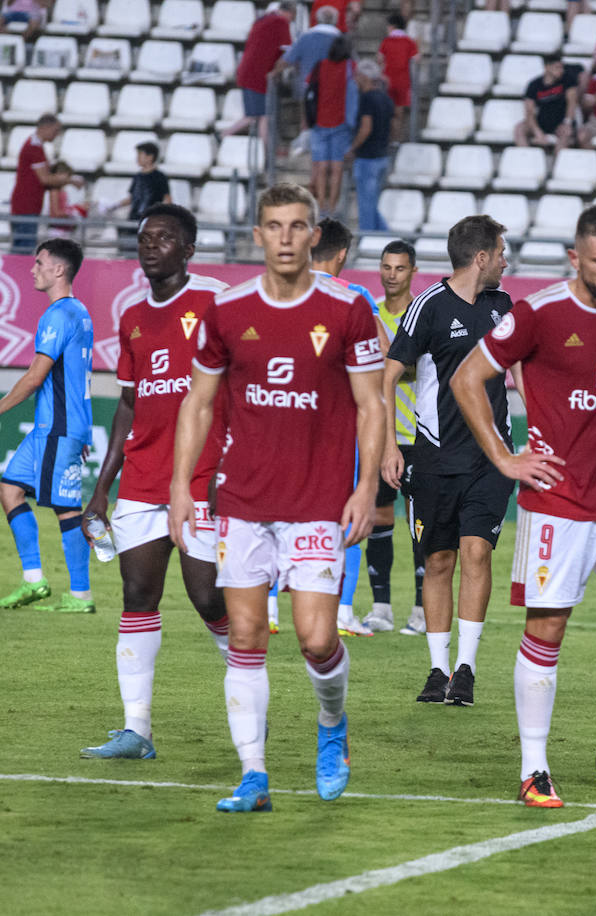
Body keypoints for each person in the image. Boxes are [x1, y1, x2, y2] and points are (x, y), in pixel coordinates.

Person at [450, 203, 596, 809]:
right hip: (555, 501)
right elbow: (465, 379)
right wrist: (505, 458)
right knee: (547, 630)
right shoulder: (539, 313)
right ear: (575, 258)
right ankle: (534, 767)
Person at [169, 182, 384, 813]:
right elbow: (198, 402)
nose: (286, 238)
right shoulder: (227, 310)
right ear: (257, 235)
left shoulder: (347, 310)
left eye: (298, 226)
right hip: (243, 503)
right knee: (245, 634)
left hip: (318, 502)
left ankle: (331, 725)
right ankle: (253, 774)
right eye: (274, 226)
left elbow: (371, 404)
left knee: (317, 639)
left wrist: (366, 486)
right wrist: (182, 487)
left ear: (314, 235)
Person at [79, 204, 232, 760]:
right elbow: (127, 402)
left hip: (201, 477)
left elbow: (238, 386)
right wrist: (103, 485)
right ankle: (136, 730)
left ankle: (246, 690)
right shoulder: (133, 315)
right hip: (142, 480)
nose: (150, 245)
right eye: (145, 237)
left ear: (188, 250)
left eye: (164, 238)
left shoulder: (214, 304)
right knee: (137, 594)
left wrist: (231, 462)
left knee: (207, 595)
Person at [382, 216, 516, 708]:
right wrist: (389, 446)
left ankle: (466, 670)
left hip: (492, 457)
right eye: (501, 252)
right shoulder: (427, 308)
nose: (506, 260)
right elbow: (386, 377)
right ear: (480, 258)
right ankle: (437, 670)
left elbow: (525, 371)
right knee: (438, 561)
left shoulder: (504, 307)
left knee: (476, 553)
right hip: (434, 457)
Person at [0, 238, 94, 613]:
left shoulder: (58, 315)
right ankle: (34, 580)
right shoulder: (79, 312)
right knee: (9, 490)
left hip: (58, 427)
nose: (33, 268)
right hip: (51, 427)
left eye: (39, 263)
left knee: (66, 508)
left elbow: (36, 377)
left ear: (58, 269)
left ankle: (81, 595)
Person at [309, 218, 382, 639]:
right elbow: (383, 352)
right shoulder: (355, 296)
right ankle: (341, 612)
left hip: (291, 418)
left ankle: (266, 607)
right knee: (351, 515)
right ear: (342, 255)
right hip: (341, 425)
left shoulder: (286, 292)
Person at [365, 240, 426, 637]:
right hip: (376, 434)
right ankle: (381, 606)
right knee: (378, 518)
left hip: (418, 434)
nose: (392, 275)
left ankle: (422, 609)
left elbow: (410, 369)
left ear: (412, 271)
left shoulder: (423, 314)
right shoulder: (367, 312)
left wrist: (386, 364)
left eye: (400, 268)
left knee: (420, 522)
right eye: (386, 267)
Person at [223, 1, 295, 145]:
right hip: (258, 76)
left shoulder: (262, 20)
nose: (292, 21)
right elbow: (288, 49)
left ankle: (226, 136)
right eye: (293, 17)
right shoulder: (280, 22)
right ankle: (225, 136)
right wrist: (281, 68)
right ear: (289, 13)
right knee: (260, 115)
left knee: (257, 115)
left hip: (247, 72)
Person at [10, 114, 83, 255]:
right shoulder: (34, 147)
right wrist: (71, 181)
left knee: (22, 247)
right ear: (46, 127)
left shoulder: (35, 145)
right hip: (26, 206)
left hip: (28, 205)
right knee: (23, 249)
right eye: (56, 131)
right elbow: (45, 179)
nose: (57, 135)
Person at [308, 35, 357, 220]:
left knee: (321, 168)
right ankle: (332, 207)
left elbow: (310, 90)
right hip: (341, 123)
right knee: (336, 169)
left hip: (320, 122)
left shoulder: (320, 66)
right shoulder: (350, 67)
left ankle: (321, 207)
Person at [273, 5, 342, 132]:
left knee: (306, 122)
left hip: (308, 86)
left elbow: (286, 60)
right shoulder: (341, 39)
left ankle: (307, 145)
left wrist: (275, 73)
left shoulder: (306, 37)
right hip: (334, 88)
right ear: (336, 20)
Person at [349, 59, 393, 234]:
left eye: (358, 76)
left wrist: (352, 148)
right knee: (372, 203)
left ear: (365, 77)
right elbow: (394, 126)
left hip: (368, 158)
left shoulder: (366, 99)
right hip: (382, 156)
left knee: (366, 206)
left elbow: (366, 128)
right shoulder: (386, 98)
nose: (356, 80)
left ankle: (367, 241)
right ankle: (385, 236)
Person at [104, 141, 171, 256]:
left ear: (150, 157)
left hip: (150, 221)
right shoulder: (138, 176)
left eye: (140, 154)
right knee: (130, 252)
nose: (137, 158)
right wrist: (115, 205)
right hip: (134, 220)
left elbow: (167, 199)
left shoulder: (159, 177)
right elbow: (132, 198)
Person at [515, 54, 579, 151]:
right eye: (557, 67)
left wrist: (567, 123)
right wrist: (537, 132)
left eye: (562, 67)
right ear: (547, 67)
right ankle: (526, 160)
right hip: (542, 121)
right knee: (520, 129)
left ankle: (557, 164)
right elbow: (529, 111)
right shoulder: (534, 85)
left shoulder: (568, 80)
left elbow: (572, 103)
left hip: (561, 121)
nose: (561, 70)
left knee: (565, 133)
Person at [378, 12, 419, 143]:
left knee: (386, 111)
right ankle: (396, 138)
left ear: (392, 26)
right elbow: (417, 58)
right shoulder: (408, 42)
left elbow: (379, 59)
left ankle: (387, 137)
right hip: (403, 80)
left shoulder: (386, 41)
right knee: (399, 112)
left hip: (388, 80)